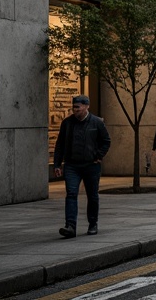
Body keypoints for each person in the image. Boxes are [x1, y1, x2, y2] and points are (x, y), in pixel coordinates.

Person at [52, 95, 111, 238]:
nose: (75, 110)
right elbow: (59, 144)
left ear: (86, 107)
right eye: (74, 107)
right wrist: (57, 164)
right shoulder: (67, 123)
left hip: (91, 165)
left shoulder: (97, 122)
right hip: (72, 165)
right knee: (71, 194)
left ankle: (93, 223)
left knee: (92, 195)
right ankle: (70, 226)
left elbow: (106, 141)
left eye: (77, 107)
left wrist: (98, 156)